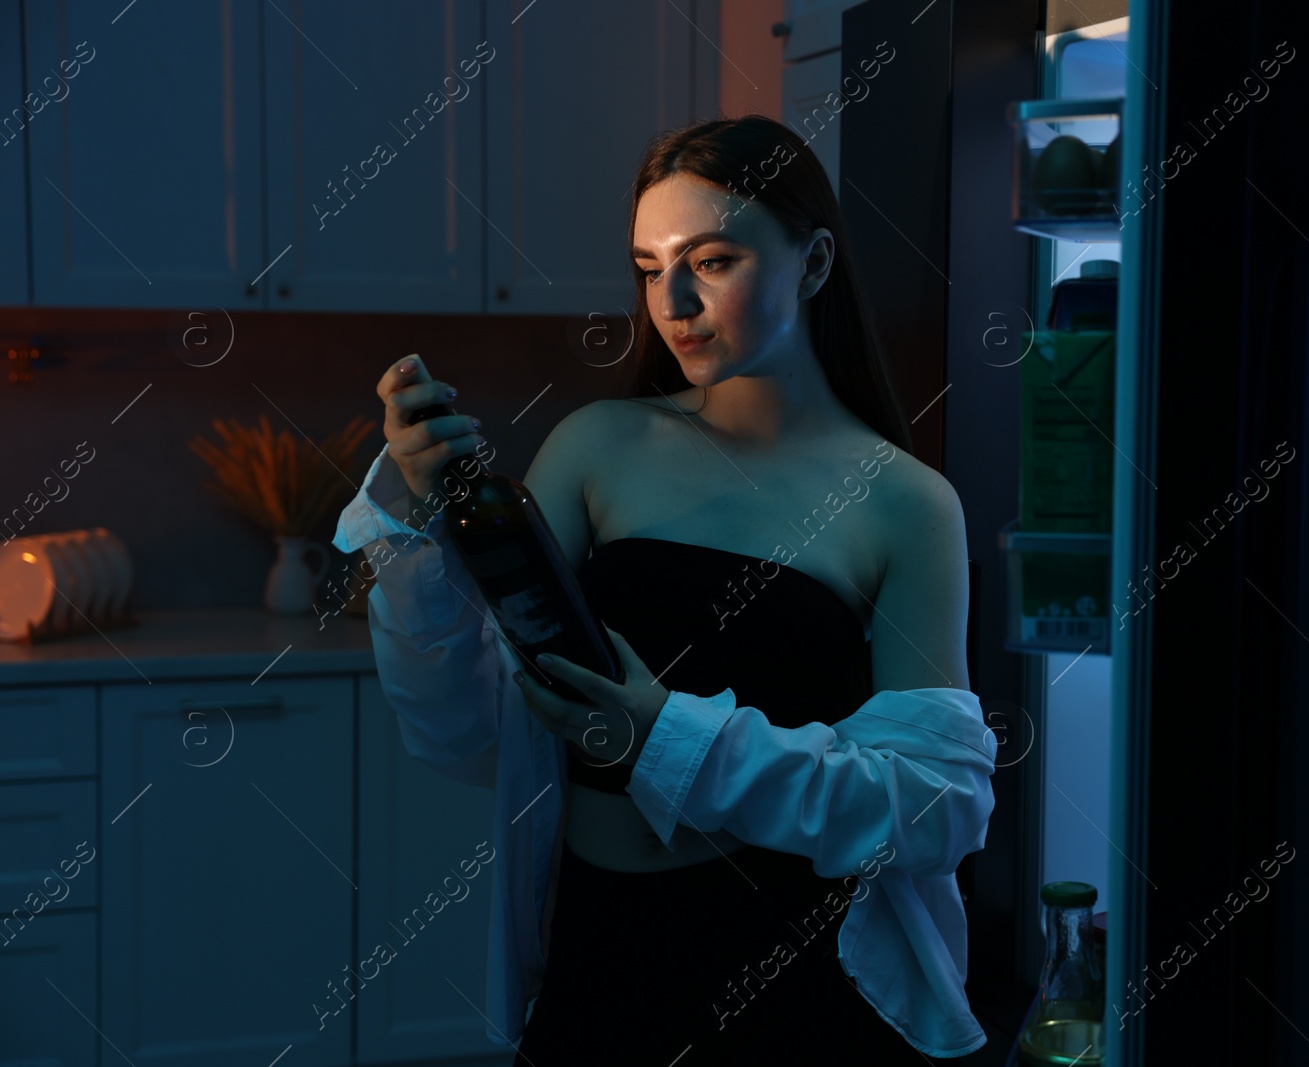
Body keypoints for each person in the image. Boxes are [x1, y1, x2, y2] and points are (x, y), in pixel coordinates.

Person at [333, 114, 996, 1064]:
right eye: (649, 267)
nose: (672, 301)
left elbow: (937, 807)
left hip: (799, 971)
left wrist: (663, 736)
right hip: (604, 951)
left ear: (812, 264)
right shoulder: (599, 446)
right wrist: (413, 520)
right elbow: (467, 726)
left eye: (713, 260)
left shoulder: (905, 503)